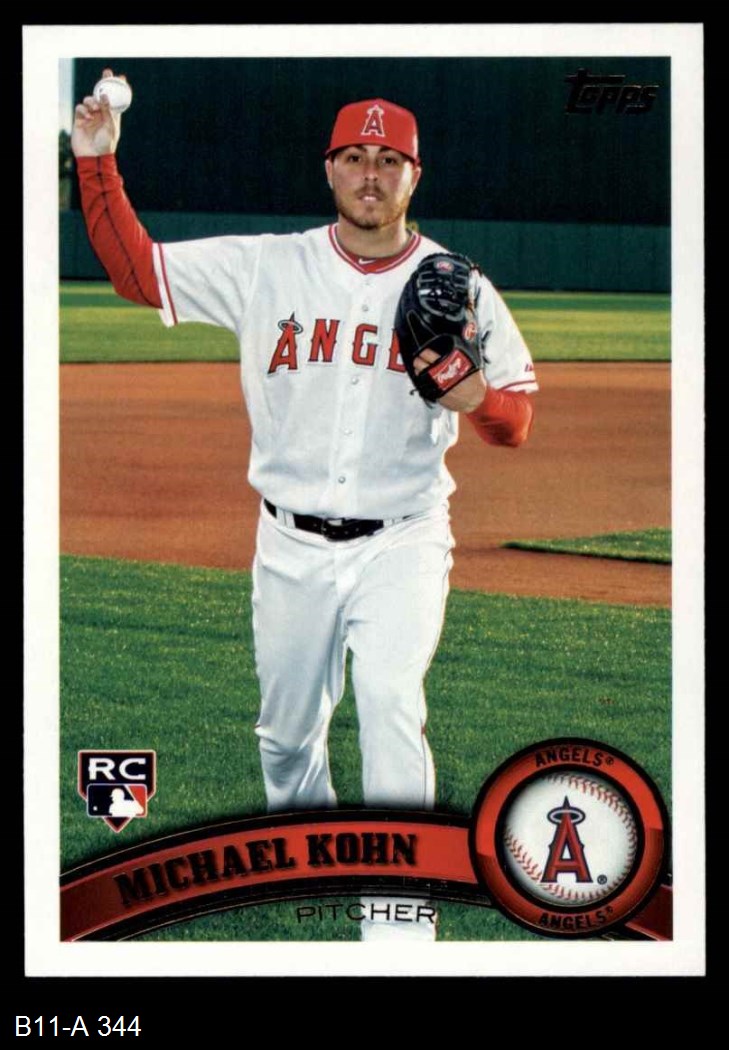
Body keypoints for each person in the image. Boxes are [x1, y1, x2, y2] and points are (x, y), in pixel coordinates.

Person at [72, 70, 538, 941]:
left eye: (389, 161)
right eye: (354, 158)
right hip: (288, 546)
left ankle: (398, 925)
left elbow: (514, 422)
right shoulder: (268, 265)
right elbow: (138, 273)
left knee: (391, 701)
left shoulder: (455, 281)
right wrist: (97, 162)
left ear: (414, 175)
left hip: (403, 538)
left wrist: (473, 396)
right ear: (329, 169)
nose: (371, 175)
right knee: (286, 743)